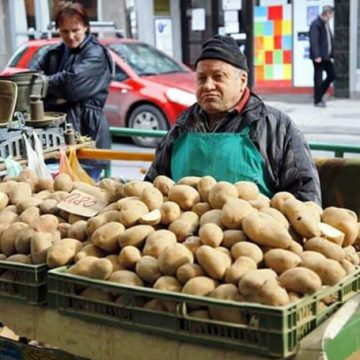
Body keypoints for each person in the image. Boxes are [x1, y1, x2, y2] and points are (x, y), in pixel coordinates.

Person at [145, 35, 322, 204]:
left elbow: (305, 195)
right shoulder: (181, 126)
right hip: (184, 233)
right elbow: (153, 186)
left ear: (242, 80)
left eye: (218, 77)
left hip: (254, 233)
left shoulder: (276, 126)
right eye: (201, 78)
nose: (208, 85)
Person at [31, 1, 114, 181]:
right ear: (58, 30)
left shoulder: (96, 54)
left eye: (75, 30)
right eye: (65, 31)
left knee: (86, 196)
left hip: (88, 138)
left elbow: (72, 84)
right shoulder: (53, 53)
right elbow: (32, 81)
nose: (70, 36)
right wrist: (57, 98)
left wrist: (48, 92)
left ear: (85, 27)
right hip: (56, 141)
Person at [309, 5, 335, 108]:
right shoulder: (316, 24)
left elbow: (328, 41)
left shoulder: (325, 24)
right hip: (319, 57)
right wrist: (316, 55)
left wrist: (332, 54)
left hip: (326, 57)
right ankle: (317, 100)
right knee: (318, 78)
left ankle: (318, 94)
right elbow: (313, 40)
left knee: (332, 74)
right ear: (327, 13)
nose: (332, 16)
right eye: (331, 13)